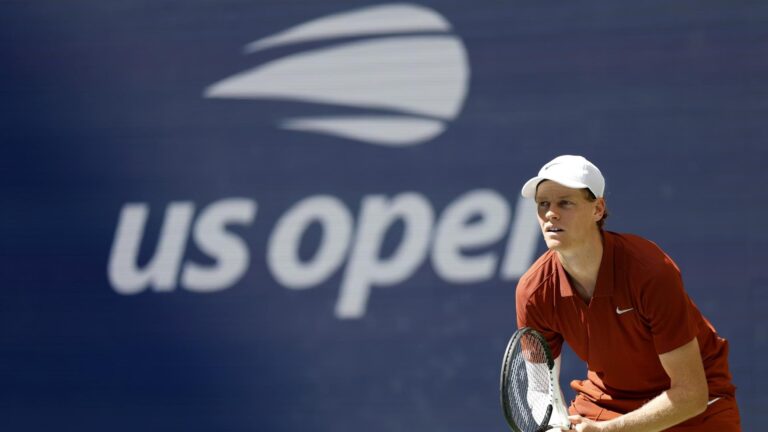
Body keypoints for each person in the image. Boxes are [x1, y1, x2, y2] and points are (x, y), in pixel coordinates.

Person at [515, 155, 740, 431]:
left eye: (565, 203)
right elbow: (540, 391)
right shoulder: (534, 291)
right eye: (543, 204)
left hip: (696, 407)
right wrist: (556, 426)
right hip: (606, 403)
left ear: (598, 209)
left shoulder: (650, 272)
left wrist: (608, 431)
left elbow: (691, 395)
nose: (550, 213)